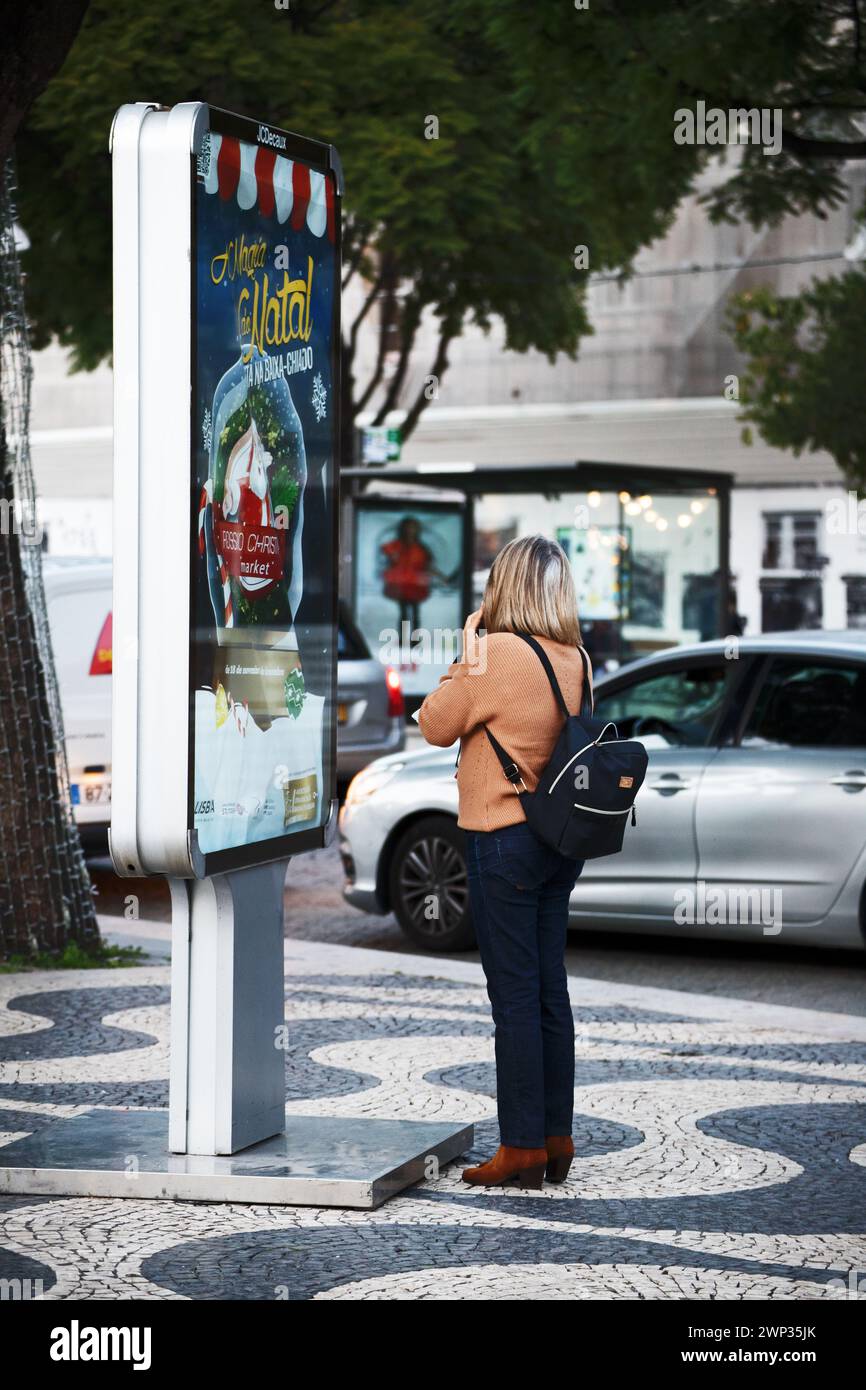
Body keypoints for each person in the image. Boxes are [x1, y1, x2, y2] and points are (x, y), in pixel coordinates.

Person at [417, 534, 592, 1190]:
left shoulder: (496, 654)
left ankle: (520, 1148)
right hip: (557, 844)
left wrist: (466, 652)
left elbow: (435, 722)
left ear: (505, 586)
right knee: (549, 990)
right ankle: (555, 1134)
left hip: (503, 841)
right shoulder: (577, 657)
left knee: (514, 996)